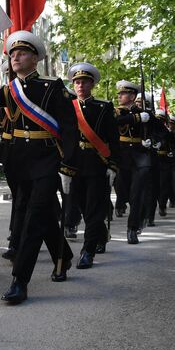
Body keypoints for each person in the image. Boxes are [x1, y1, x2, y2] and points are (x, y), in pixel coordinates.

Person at [0, 30, 77, 304]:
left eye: (21, 53)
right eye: (12, 54)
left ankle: (20, 280)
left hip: (46, 160)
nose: (15, 57)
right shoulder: (10, 89)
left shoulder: (53, 87)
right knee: (39, 216)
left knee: (34, 218)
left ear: (35, 58)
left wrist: (67, 166)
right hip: (19, 162)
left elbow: (69, 129)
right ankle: (63, 256)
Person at [66, 63, 119, 268]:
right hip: (74, 163)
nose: (80, 85)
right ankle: (101, 234)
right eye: (77, 82)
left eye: (84, 82)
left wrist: (112, 165)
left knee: (94, 207)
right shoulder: (69, 107)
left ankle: (87, 251)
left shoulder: (104, 107)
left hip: (97, 163)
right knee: (79, 205)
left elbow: (113, 138)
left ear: (91, 84)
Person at [114, 80, 154, 244]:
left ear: (132, 96)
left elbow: (159, 130)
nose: (120, 96)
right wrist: (136, 118)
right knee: (122, 191)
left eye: (123, 94)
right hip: (121, 156)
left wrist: (152, 140)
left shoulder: (144, 113)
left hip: (139, 155)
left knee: (136, 194)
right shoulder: (116, 112)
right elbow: (114, 123)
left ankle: (132, 229)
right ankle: (140, 211)